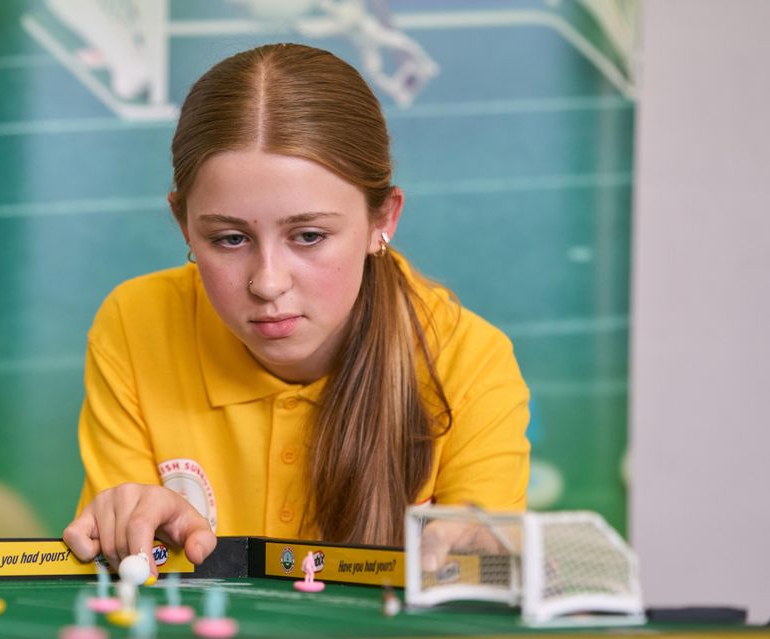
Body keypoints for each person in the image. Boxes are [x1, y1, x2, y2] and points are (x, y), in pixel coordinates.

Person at [63, 43, 530, 576]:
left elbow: (484, 581)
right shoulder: (134, 322)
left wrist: (475, 556)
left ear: (384, 219)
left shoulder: (471, 363)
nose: (267, 283)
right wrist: (136, 534)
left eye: (309, 236)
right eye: (230, 238)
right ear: (183, 224)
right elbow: (116, 584)